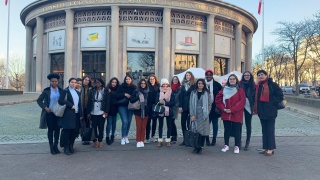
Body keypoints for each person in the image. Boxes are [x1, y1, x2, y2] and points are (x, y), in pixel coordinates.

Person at [254, 70, 284, 156]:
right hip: (262, 111)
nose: (260, 76)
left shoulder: (272, 85)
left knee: (270, 130)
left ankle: (271, 148)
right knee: (264, 130)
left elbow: (280, 95)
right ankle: (265, 147)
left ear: (266, 75)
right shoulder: (259, 85)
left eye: (262, 74)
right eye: (259, 75)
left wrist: (272, 103)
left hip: (270, 111)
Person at [216, 74, 246, 154]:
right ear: (228, 80)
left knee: (237, 131)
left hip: (236, 114)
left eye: (233, 79)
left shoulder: (240, 90)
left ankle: (237, 146)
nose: (232, 80)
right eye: (230, 79)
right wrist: (223, 108)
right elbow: (218, 100)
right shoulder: (224, 89)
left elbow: (242, 102)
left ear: (236, 80)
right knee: (227, 130)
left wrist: (232, 109)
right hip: (226, 113)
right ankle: (226, 145)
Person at [37, 73, 62, 155]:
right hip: (49, 113)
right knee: (51, 130)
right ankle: (51, 147)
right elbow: (39, 100)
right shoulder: (47, 90)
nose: (54, 83)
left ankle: (56, 146)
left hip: (58, 113)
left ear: (58, 82)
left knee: (57, 130)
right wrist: (45, 107)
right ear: (50, 82)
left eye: (56, 81)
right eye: (52, 81)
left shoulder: (61, 90)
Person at [58, 78, 83, 155]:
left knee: (75, 131)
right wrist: (70, 105)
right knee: (67, 131)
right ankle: (66, 147)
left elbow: (79, 104)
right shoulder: (65, 91)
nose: (74, 83)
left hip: (76, 114)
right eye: (72, 82)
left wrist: (81, 114)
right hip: (68, 114)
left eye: (75, 82)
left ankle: (71, 145)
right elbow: (60, 100)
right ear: (69, 83)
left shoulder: (77, 92)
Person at [189, 78, 212, 154]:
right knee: (196, 131)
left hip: (204, 114)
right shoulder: (193, 92)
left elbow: (209, 104)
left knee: (203, 131)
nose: (200, 85)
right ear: (197, 84)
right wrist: (192, 114)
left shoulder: (207, 93)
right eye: (199, 83)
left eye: (202, 83)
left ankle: (201, 147)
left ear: (204, 84)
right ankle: (196, 146)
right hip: (195, 113)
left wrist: (207, 112)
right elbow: (190, 104)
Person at [87, 78, 110, 148]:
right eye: (96, 83)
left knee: (101, 127)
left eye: (99, 83)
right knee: (94, 127)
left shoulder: (105, 91)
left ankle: (100, 140)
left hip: (101, 111)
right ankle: (95, 140)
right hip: (93, 111)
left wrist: (106, 111)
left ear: (102, 83)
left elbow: (108, 102)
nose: (98, 84)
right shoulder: (92, 90)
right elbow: (89, 102)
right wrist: (88, 112)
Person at [130, 79, 152, 148]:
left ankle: (142, 140)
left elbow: (151, 102)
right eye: (142, 83)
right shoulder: (136, 91)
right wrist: (138, 97)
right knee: (139, 127)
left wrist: (149, 110)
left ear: (146, 84)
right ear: (140, 84)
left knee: (143, 127)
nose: (143, 85)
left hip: (146, 111)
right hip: (138, 111)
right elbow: (131, 100)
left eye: (144, 83)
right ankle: (138, 140)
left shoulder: (148, 92)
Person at [116, 75, 137, 145]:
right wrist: (124, 94)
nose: (128, 80)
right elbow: (117, 96)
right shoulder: (121, 87)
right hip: (122, 106)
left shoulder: (134, 87)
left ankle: (126, 136)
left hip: (130, 106)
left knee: (129, 121)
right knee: (125, 121)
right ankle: (123, 137)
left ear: (131, 80)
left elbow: (136, 97)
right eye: (126, 79)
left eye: (129, 79)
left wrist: (131, 96)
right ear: (125, 80)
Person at [204, 69, 222, 146]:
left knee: (215, 124)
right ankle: (207, 138)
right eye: (207, 75)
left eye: (210, 75)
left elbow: (222, 94)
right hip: (205, 107)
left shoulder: (217, 84)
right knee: (206, 124)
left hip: (215, 107)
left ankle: (214, 138)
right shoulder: (202, 84)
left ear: (212, 75)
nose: (209, 76)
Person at [155, 78, 175, 147]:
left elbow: (173, 102)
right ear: (161, 85)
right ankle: (160, 140)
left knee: (169, 126)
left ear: (168, 85)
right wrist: (160, 102)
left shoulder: (171, 92)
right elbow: (156, 101)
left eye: (166, 84)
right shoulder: (159, 92)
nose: (165, 86)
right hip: (160, 110)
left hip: (168, 111)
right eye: (163, 84)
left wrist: (165, 103)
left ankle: (168, 140)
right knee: (160, 125)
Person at [239, 71, 256, 150]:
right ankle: (239, 142)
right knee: (239, 124)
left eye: (248, 75)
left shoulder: (253, 85)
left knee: (248, 125)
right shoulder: (239, 84)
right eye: (245, 75)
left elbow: (255, 96)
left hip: (249, 106)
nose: (246, 76)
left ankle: (247, 142)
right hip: (240, 106)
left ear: (250, 76)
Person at [179, 71, 196, 146]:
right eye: (186, 75)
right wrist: (180, 106)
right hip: (184, 106)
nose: (188, 76)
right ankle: (184, 139)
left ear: (191, 76)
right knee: (183, 123)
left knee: (190, 123)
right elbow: (181, 97)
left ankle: (190, 140)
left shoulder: (194, 85)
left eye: (189, 75)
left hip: (191, 106)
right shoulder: (182, 85)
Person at [145, 74, 160, 143]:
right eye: (150, 79)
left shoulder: (158, 87)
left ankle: (153, 136)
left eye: (153, 79)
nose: (151, 80)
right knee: (148, 122)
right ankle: (147, 137)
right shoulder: (147, 86)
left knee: (154, 122)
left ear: (155, 79)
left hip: (155, 106)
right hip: (148, 106)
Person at [105, 77, 120, 145]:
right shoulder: (107, 89)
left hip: (115, 108)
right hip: (109, 109)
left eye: (115, 82)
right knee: (109, 123)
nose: (114, 83)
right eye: (113, 82)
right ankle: (107, 136)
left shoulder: (118, 89)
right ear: (110, 82)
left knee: (114, 124)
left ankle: (112, 136)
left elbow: (118, 96)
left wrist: (112, 92)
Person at [80, 76, 92, 145]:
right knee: (82, 124)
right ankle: (82, 137)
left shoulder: (90, 89)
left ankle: (86, 138)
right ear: (83, 80)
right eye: (85, 80)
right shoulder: (80, 88)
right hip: (81, 108)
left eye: (88, 80)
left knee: (87, 124)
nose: (87, 81)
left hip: (88, 108)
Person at [170, 76, 181, 144]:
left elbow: (180, 98)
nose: (175, 80)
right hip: (170, 106)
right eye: (174, 79)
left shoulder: (180, 88)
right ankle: (172, 136)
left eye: (176, 79)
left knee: (172, 121)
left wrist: (179, 106)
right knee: (170, 122)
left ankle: (175, 136)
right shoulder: (170, 88)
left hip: (175, 107)